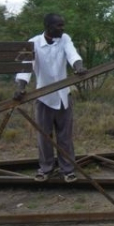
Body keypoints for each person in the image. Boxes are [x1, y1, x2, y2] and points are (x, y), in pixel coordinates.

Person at [13, 13, 87, 183]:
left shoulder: (64, 39)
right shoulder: (33, 43)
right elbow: (26, 67)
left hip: (63, 96)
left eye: (62, 25)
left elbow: (72, 54)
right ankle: (46, 169)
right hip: (43, 97)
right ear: (48, 27)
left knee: (65, 137)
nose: (62, 29)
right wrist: (21, 87)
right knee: (44, 136)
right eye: (59, 26)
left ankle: (67, 170)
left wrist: (79, 67)